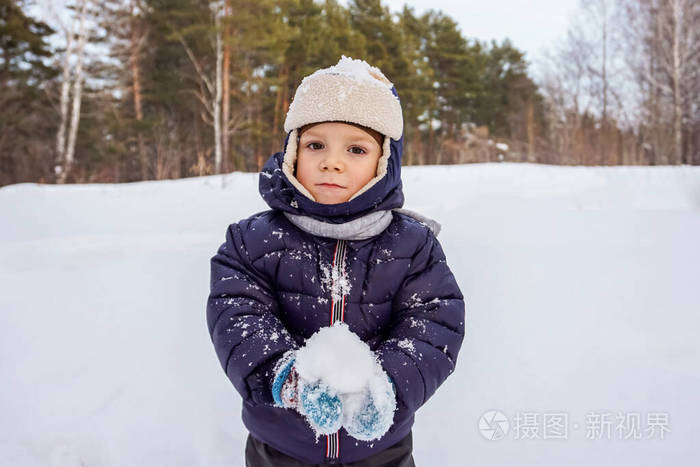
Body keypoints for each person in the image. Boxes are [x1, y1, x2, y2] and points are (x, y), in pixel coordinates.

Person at [207, 56, 465, 466]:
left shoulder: (412, 245)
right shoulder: (252, 240)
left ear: (385, 163)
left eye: (356, 148)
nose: (332, 161)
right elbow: (238, 318)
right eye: (315, 145)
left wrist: (389, 385)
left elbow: (434, 323)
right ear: (293, 152)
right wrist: (287, 376)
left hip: (382, 447)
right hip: (281, 444)